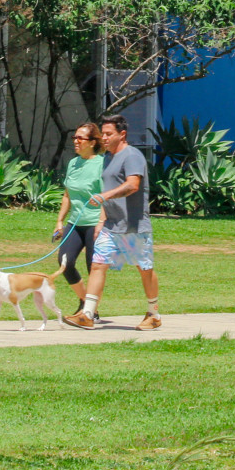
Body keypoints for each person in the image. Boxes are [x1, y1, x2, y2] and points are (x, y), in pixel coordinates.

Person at [64, 115, 159, 331]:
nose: (104, 138)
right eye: (103, 134)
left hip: (133, 226)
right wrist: (102, 219)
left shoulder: (132, 156)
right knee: (98, 265)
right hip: (110, 226)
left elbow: (132, 185)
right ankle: (87, 314)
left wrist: (105, 196)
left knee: (144, 268)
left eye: (109, 134)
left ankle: (153, 313)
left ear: (122, 134)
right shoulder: (108, 157)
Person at [52, 122, 105, 313]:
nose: (75, 141)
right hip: (74, 223)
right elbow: (67, 195)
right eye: (74, 137)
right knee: (65, 262)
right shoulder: (74, 163)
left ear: (92, 142)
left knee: (94, 268)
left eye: (80, 138)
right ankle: (85, 302)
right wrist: (60, 221)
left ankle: (90, 311)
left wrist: (102, 222)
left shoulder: (101, 164)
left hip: (94, 223)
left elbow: (108, 197)